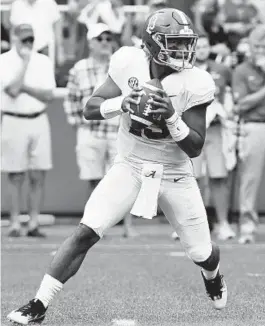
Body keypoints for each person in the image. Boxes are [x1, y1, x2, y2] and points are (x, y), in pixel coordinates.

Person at [7, 9, 227, 324]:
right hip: (131, 165)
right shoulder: (127, 61)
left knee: (201, 253)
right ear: (152, 45)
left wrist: (171, 117)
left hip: (176, 173)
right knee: (87, 230)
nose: (182, 51)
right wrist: (122, 102)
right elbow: (89, 107)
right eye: (173, 43)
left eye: (184, 43)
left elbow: (195, 146)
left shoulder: (197, 80)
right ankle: (38, 304)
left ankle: (213, 274)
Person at [64, 23, 137, 237]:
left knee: (124, 180)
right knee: (94, 180)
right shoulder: (79, 68)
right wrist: (81, 124)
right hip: (91, 132)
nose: (105, 42)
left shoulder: (121, 66)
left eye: (108, 38)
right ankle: (95, 227)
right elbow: (70, 101)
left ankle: (128, 226)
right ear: (90, 43)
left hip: (118, 131)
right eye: (100, 39)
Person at [1, 24, 56, 238]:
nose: (28, 44)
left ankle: (33, 222)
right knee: (15, 175)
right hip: (14, 119)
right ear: (15, 38)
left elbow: (49, 96)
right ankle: (15, 222)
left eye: (31, 40)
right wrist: (24, 64)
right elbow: (13, 91)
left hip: (38, 119)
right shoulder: (4, 60)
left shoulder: (43, 61)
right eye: (24, 39)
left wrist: (25, 87)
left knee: (38, 174)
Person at [232, 25, 265, 244]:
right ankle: (247, 226)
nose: (260, 50)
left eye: (264, 45)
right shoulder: (241, 70)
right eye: (256, 46)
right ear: (249, 46)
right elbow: (241, 104)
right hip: (254, 127)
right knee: (250, 179)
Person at [192, 33, 236, 240]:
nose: (201, 49)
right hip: (191, 130)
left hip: (216, 129)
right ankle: (191, 225)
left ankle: (223, 223)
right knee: (191, 179)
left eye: (205, 45)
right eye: (198, 46)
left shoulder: (222, 70)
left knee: (219, 177)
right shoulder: (183, 70)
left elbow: (230, 97)